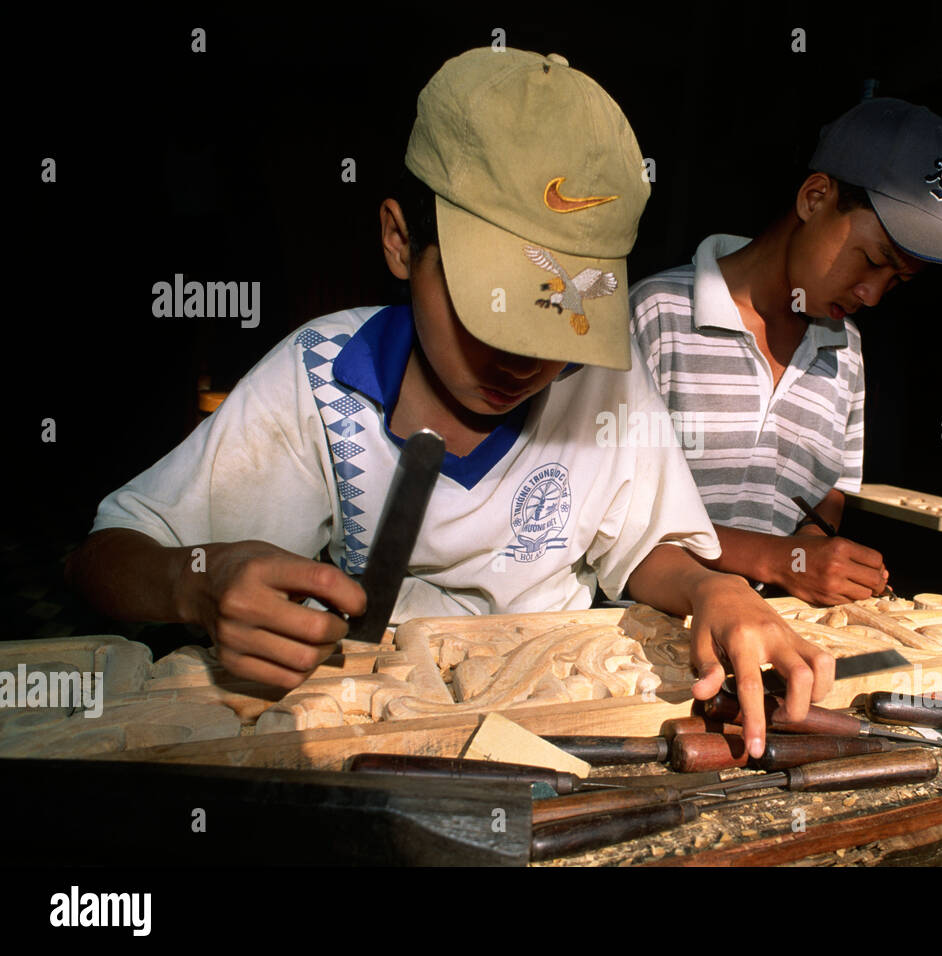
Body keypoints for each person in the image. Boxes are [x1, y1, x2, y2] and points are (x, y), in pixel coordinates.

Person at [65, 48, 833, 757]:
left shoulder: (604, 375)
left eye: (562, 322)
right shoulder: (322, 375)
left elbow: (642, 546)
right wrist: (193, 582)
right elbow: (102, 559)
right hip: (387, 718)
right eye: (487, 311)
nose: (523, 360)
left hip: (562, 720)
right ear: (401, 241)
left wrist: (712, 586)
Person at [629, 97, 942, 607]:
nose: (872, 295)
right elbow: (609, 513)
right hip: (638, 645)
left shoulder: (846, 352)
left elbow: (829, 491)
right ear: (815, 197)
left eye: (898, 281)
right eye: (872, 259)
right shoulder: (657, 315)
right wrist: (783, 560)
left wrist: (820, 556)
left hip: (778, 636)